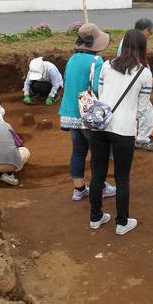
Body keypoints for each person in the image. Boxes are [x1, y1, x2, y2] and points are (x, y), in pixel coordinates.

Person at [89, 29, 152, 235]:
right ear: (143, 48)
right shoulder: (145, 73)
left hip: (100, 126)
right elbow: (142, 108)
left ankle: (95, 217)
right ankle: (122, 222)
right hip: (124, 130)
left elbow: (100, 92)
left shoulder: (107, 65)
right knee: (122, 178)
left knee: (98, 174)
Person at [58, 23, 116, 201]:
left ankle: (79, 189)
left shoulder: (72, 59)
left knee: (78, 151)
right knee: (98, 153)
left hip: (70, 113)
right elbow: (97, 87)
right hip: (88, 114)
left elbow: (66, 82)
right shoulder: (96, 61)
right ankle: (101, 186)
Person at [118, 18, 153, 152]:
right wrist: (149, 79)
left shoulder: (128, 39)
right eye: (150, 32)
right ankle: (142, 139)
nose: (150, 35)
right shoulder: (134, 41)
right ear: (146, 30)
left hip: (130, 78)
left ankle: (133, 135)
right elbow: (137, 62)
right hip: (133, 79)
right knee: (146, 107)